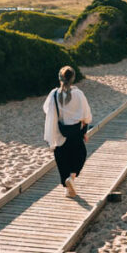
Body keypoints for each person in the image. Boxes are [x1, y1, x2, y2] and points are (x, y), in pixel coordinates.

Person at [43, 65, 92, 198]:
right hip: (75, 132)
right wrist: (84, 130)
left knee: (62, 159)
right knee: (79, 155)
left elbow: (47, 110)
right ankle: (71, 178)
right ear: (73, 78)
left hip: (59, 132)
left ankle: (67, 187)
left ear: (60, 78)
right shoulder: (78, 94)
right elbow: (87, 115)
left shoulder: (54, 94)